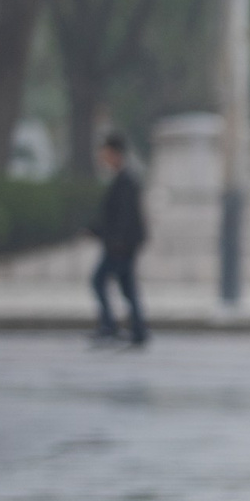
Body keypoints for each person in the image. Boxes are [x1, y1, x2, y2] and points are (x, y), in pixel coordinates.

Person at [88, 131, 148, 348]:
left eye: (106, 154)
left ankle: (110, 325)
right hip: (121, 244)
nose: (103, 159)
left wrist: (117, 241)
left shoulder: (126, 181)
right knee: (127, 287)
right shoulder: (122, 179)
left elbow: (125, 217)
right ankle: (137, 330)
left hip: (120, 246)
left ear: (115, 154)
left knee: (99, 281)